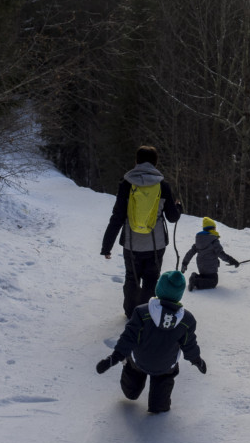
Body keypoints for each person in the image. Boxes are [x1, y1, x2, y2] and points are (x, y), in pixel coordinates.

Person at [96, 271, 207, 414]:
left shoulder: (142, 312)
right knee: (163, 385)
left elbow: (129, 337)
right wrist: (197, 360)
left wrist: (115, 357)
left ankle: (131, 390)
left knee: (132, 372)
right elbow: (189, 344)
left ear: (158, 289)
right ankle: (158, 405)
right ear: (179, 294)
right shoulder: (186, 320)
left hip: (139, 361)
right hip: (166, 365)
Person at [101, 146, 182, 317]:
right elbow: (172, 217)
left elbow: (117, 217)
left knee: (132, 277)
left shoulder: (126, 184)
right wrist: (178, 207)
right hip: (156, 244)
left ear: (136, 161)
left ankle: (131, 312)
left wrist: (107, 246)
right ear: (155, 163)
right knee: (152, 278)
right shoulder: (163, 186)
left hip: (131, 243)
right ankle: (147, 313)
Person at [180, 217, 239, 291]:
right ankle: (195, 281)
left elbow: (190, 253)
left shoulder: (199, 241)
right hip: (210, 269)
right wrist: (232, 260)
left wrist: (184, 263)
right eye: (215, 228)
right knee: (213, 282)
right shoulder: (214, 241)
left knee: (204, 277)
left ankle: (195, 276)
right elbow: (221, 254)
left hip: (201, 268)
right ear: (212, 229)